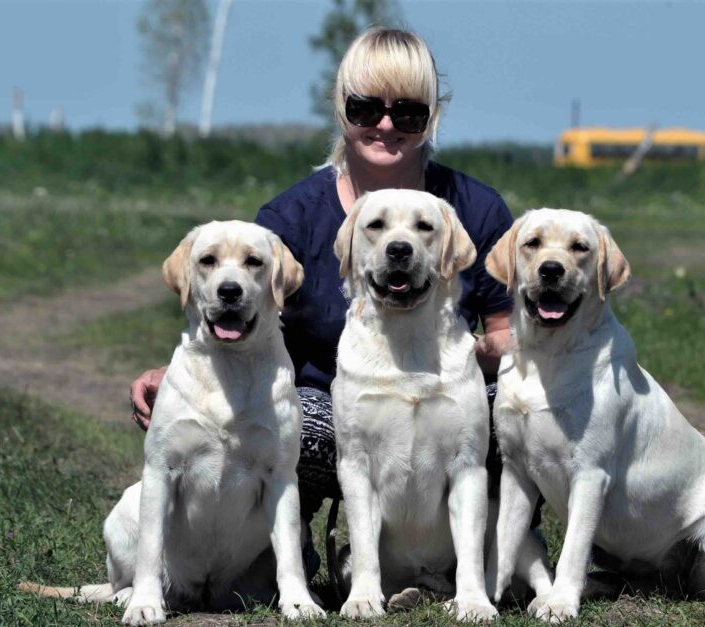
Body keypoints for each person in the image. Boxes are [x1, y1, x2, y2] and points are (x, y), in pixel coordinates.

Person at [131, 27, 517, 536]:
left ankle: (500, 540)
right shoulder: (290, 220)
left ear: (431, 117)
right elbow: (242, 321)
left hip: (446, 399)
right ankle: (291, 538)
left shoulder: (474, 209)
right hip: (335, 407)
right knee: (292, 415)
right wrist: (173, 371)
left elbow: (509, 336)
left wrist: (472, 352)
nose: (385, 125)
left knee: (513, 402)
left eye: (407, 111)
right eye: (365, 109)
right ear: (341, 109)